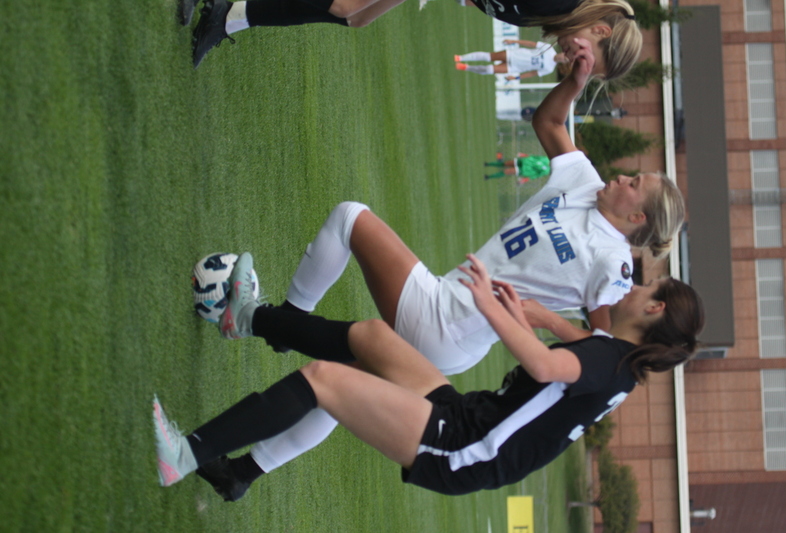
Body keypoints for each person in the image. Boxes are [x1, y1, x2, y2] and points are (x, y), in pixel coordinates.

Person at [170, 42, 684, 499]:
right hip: (456, 325)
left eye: (635, 182)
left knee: (352, 220)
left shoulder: (613, 266)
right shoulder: (587, 185)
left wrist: (520, 315)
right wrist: (574, 84)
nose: (624, 175)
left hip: (452, 321)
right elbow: (548, 124)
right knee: (346, 381)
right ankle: (241, 470)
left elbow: (589, 345)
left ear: (637, 217)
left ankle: (273, 323)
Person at [154, 251, 705, 497]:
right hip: (471, 419)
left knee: (327, 380)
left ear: (654, 311)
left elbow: (544, 364)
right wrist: (529, 314)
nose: (636, 288)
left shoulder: (610, 361)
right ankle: (248, 316)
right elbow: (571, 351)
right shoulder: (621, 365)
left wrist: (491, 306)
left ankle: (185, 455)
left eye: (647, 290)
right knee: (371, 337)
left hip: (466, 449)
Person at [187, 0, 642, 76]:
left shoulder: (556, 18)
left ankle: (228, 18)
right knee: (346, 4)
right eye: (585, 59)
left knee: (353, 19)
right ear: (600, 31)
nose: (571, 62)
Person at [455, 40, 568, 80]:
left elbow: (532, 73)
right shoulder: (549, 48)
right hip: (514, 55)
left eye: (564, 60)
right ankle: (461, 57)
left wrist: (517, 77)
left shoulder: (549, 68)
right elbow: (531, 44)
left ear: (563, 63)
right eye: (564, 56)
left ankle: (466, 67)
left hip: (515, 67)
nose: (562, 58)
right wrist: (514, 41)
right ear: (562, 52)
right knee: (489, 56)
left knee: (489, 69)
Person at [484, 153, 551, 180]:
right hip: (524, 161)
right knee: (506, 164)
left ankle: (488, 177)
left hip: (525, 170)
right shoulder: (546, 159)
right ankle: (488, 164)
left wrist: (526, 179)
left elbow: (536, 175)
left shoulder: (547, 170)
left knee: (507, 171)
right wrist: (525, 155)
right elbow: (534, 157)